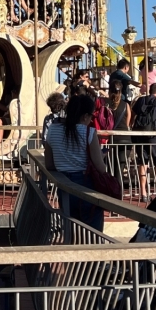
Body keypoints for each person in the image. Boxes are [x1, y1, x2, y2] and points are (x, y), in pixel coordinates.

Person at [44, 94, 108, 233]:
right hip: (86, 184)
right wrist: (101, 156)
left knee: (71, 227)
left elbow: (48, 164)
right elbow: (101, 168)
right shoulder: (89, 133)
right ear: (85, 116)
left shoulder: (53, 130)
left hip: (63, 184)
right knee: (92, 230)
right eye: (91, 116)